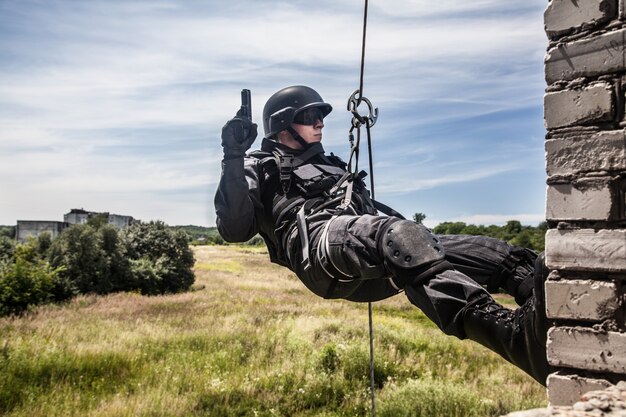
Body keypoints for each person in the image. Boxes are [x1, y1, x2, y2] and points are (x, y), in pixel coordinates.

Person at [214, 85, 552, 384]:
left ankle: (555, 326)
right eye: (309, 115)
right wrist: (232, 157)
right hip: (319, 248)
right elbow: (234, 230)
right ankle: (513, 337)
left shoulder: (330, 163)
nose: (319, 122)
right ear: (283, 124)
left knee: (494, 254)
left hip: (367, 251)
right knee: (400, 235)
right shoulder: (257, 165)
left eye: (320, 115)